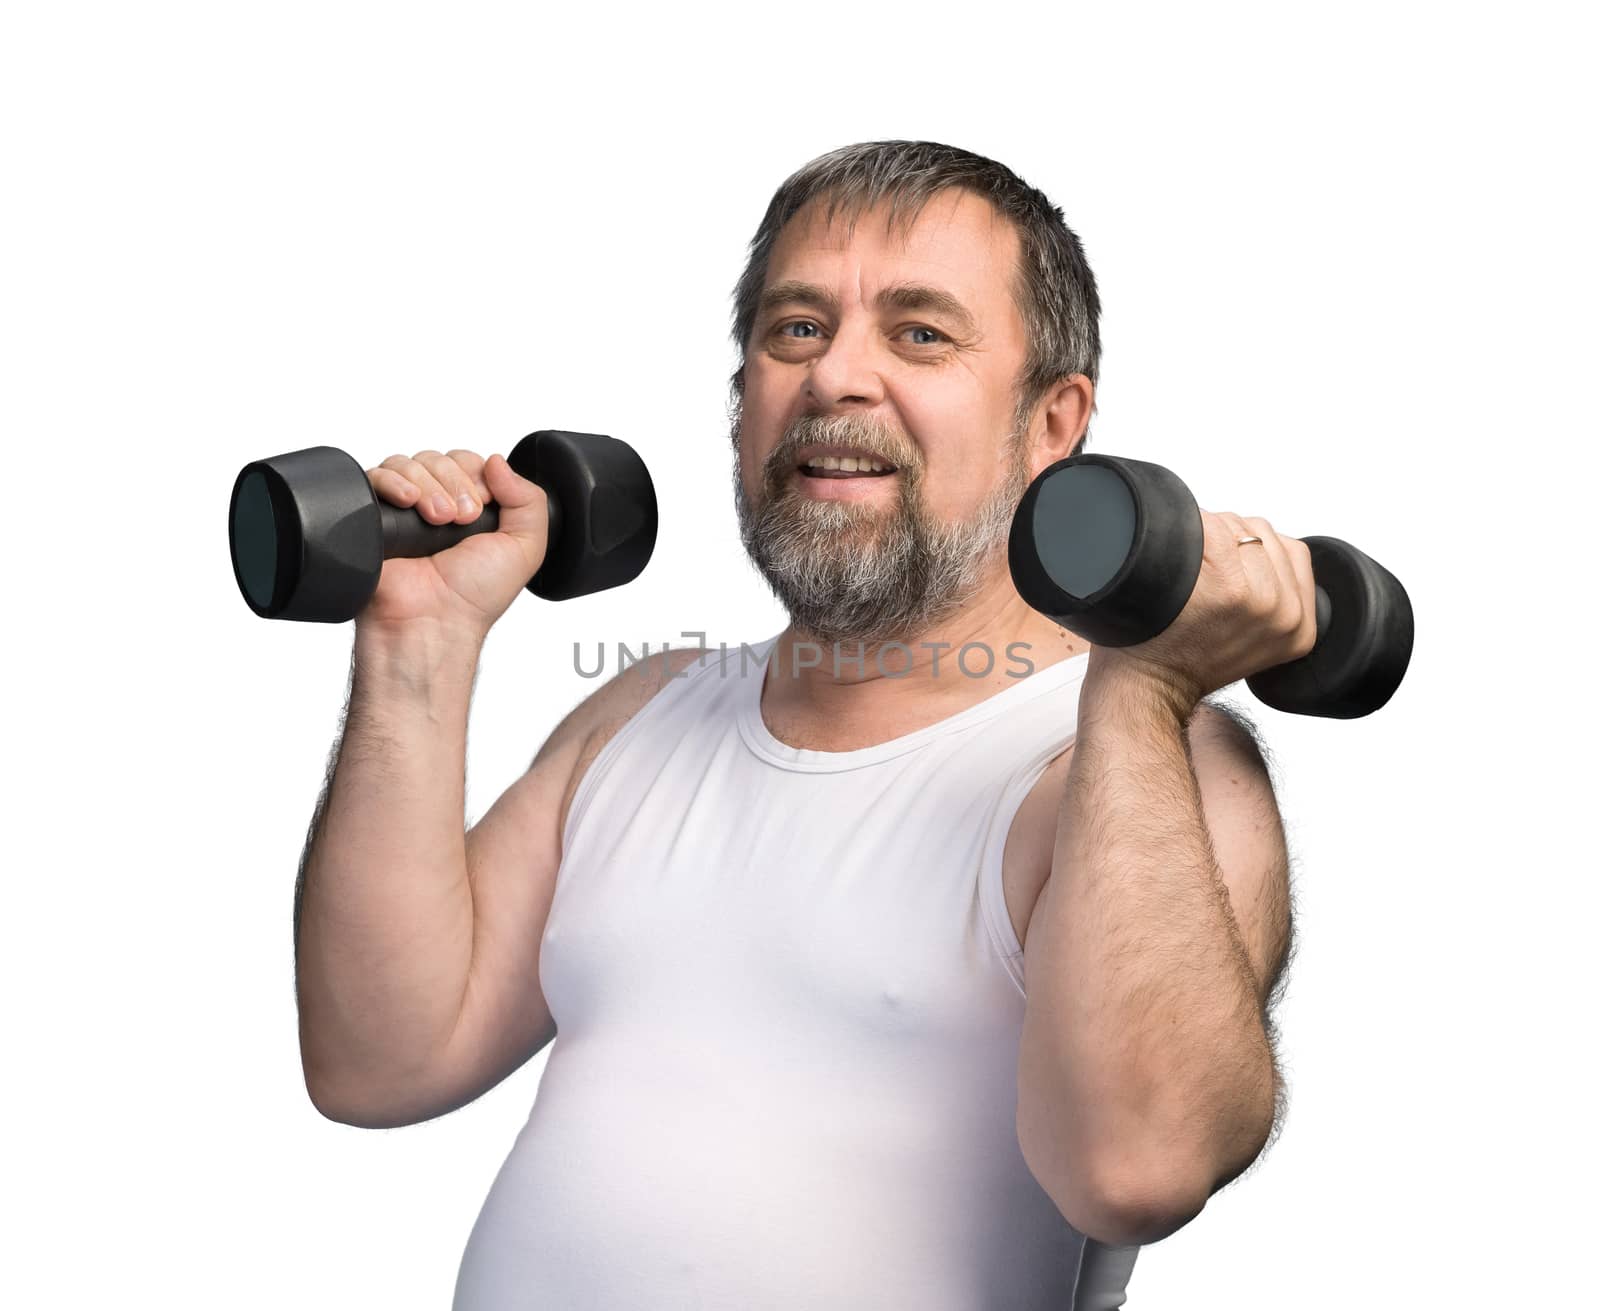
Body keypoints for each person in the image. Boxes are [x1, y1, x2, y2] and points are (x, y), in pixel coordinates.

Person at [293, 140, 1306, 1310]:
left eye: (920, 333)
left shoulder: (1136, 766)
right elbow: (382, 1059)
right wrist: (416, 649)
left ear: (1053, 423)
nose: (835, 378)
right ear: (742, 408)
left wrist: (1136, 685)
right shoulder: (646, 711)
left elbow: (1137, 1171)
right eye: (795, 330)